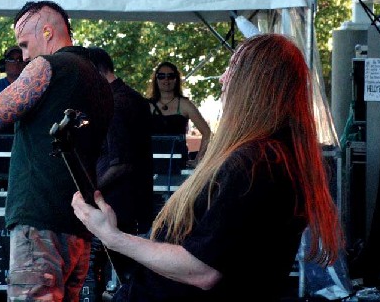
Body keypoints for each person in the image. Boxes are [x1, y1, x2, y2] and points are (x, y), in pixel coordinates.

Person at [72, 34, 343, 301]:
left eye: (233, 69)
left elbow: (202, 270)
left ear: (258, 84)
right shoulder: (267, 157)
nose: (223, 78)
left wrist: (113, 237)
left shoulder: (256, 163)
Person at [0, 1, 113, 302]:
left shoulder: (48, 66)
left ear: (46, 31)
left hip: (40, 222)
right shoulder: (100, 83)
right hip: (79, 227)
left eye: (25, 45)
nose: (25, 56)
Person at [85, 47, 154, 300]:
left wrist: (90, 192)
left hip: (118, 210)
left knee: (112, 281)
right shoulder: (134, 98)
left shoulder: (113, 104)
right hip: (134, 207)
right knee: (129, 281)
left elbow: (120, 163)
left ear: (94, 71)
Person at [148, 62, 211, 159]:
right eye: (161, 76)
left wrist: (198, 159)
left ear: (176, 79)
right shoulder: (146, 105)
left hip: (178, 164)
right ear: (156, 79)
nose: (166, 79)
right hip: (151, 164)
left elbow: (207, 133)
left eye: (171, 76)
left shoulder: (185, 104)